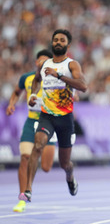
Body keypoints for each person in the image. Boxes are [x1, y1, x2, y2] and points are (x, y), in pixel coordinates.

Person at [19, 29, 88, 203]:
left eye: (62, 40)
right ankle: (28, 189)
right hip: (46, 115)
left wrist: (59, 75)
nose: (58, 42)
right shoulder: (44, 65)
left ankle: (70, 177)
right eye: (55, 39)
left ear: (67, 44)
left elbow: (83, 86)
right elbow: (36, 80)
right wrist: (34, 96)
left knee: (65, 163)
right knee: (38, 144)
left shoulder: (72, 65)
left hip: (65, 118)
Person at [6, 49, 56, 212]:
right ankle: (23, 196)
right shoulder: (26, 78)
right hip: (31, 121)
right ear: (36, 62)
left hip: (49, 122)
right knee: (24, 157)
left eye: (46, 61)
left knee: (47, 166)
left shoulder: (55, 78)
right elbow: (16, 92)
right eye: (41, 61)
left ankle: (38, 155)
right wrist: (12, 103)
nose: (43, 64)